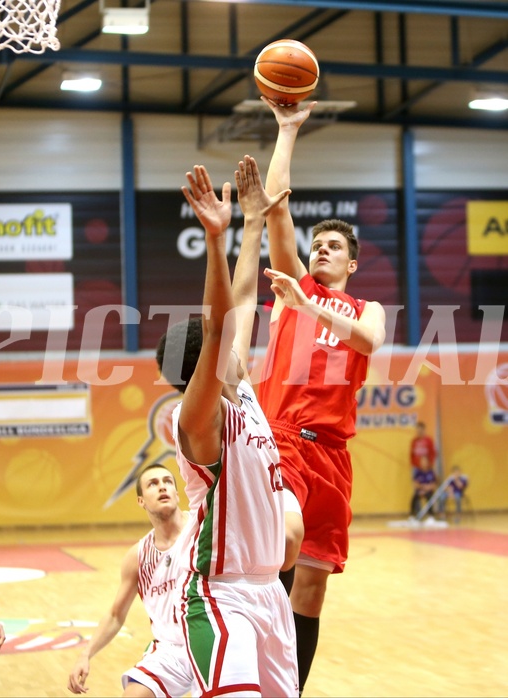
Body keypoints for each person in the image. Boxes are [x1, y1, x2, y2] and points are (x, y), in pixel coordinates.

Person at [257, 96, 387, 695]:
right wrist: (287, 129)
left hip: (333, 453)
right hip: (282, 438)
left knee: (312, 585)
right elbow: (276, 205)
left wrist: (313, 306)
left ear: (354, 264)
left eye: (334, 247)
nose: (321, 250)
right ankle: (251, 667)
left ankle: (290, 689)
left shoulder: (366, 308)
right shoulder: (294, 289)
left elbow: (369, 341)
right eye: (318, 245)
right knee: (278, 552)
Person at [156, 155, 299, 697]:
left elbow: (241, 299)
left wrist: (254, 219)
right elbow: (221, 321)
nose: (241, 336)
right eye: (220, 345)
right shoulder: (197, 418)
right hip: (222, 596)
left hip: (268, 593)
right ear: (205, 367)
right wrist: (216, 239)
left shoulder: (243, 394)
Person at [68, 463, 193, 697]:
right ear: (141, 501)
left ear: (177, 493)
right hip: (170, 650)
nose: (162, 487)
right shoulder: (138, 556)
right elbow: (116, 615)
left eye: (167, 482)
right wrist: (85, 654)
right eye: (153, 484)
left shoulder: (201, 529)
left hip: (210, 641)